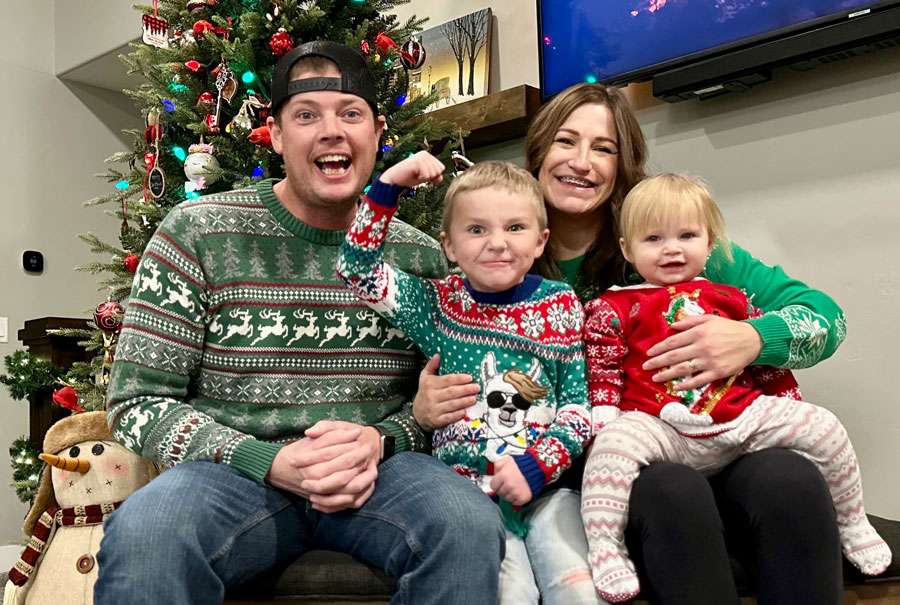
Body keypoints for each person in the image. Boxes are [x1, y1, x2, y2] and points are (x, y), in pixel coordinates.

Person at [94, 41, 505, 605]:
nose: (332, 131)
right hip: (234, 476)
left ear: (378, 132)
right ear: (278, 135)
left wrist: (383, 440)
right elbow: (137, 402)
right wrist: (267, 459)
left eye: (351, 114)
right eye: (307, 115)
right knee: (147, 532)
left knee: (465, 523)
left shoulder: (417, 256)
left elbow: (440, 406)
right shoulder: (197, 231)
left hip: (381, 475)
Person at [413, 82, 851, 605]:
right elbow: (441, 346)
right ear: (538, 151)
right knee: (669, 488)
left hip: (717, 431)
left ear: (625, 165)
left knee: (791, 477)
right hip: (594, 462)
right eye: (565, 141)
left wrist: (754, 337)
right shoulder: (496, 243)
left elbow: (829, 318)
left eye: (603, 148)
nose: (581, 162)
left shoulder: (671, 241)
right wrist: (423, 407)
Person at [580, 173, 891, 602]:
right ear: (627, 248)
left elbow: (819, 325)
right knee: (622, 451)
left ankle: (853, 524)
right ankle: (606, 549)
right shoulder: (615, 303)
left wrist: (755, 339)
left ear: (709, 245)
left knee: (816, 437)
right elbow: (603, 364)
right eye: (654, 238)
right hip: (659, 427)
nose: (672, 248)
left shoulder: (729, 292)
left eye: (687, 236)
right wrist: (604, 412)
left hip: (735, 417)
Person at [336, 156, 592, 603]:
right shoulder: (438, 304)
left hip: (548, 492)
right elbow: (358, 269)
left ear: (540, 241)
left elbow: (576, 407)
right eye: (477, 230)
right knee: (509, 596)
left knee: (578, 592)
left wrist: (537, 467)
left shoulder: (559, 304)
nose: (497, 243)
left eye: (515, 228)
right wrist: (389, 185)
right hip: (471, 501)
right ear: (449, 246)